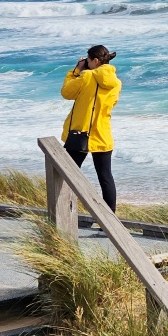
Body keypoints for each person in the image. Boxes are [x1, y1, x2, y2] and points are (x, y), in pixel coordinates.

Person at [61, 45, 122, 212]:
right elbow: (112, 104)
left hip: (81, 133)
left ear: (95, 61)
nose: (86, 63)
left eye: (87, 60)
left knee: (67, 174)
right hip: (102, 133)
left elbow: (66, 93)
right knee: (105, 178)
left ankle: (67, 213)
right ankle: (109, 221)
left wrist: (75, 71)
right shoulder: (116, 83)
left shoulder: (87, 76)